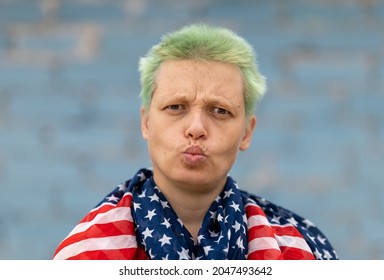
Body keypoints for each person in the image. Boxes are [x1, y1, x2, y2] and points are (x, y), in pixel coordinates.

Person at [52, 23, 338, 260]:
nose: (196, 128)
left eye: (220, 111)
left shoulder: (300, 248)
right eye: (176, 107)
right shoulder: (88, 252)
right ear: (146, 122)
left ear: (247, 133)